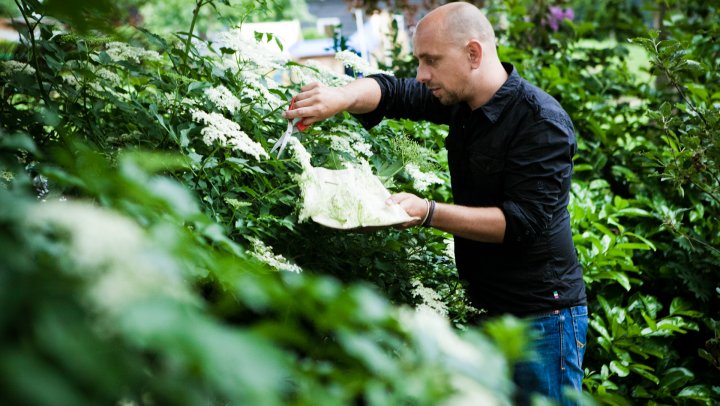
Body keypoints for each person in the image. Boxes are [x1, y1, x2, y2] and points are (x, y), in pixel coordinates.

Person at [283, 2, 587, 404]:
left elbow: (521, 223)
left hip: (543, 320)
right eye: (419, 61)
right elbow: (391, 92)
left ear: (473, 54)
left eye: (431, 61)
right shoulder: (461, 101)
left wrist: (428, 212)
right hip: (485, 310)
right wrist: (337, 98)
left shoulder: (540, 122)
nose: (422, 74)